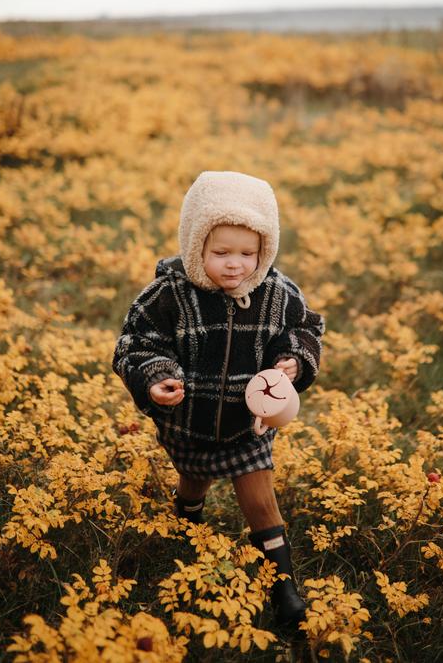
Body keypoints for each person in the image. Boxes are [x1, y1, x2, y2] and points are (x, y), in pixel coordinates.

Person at [112, 170, 324, 627]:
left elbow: (306, 329)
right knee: (193, 477)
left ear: (265, 250)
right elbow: (137, 344)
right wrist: (155, 378)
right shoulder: (167, 294)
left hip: (250, 423)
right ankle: (188, 514)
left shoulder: (277, 292)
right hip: (188, 420)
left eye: (249, 253)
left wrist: (293, 359)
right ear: (195, 246)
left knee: (259, 496)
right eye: (221, 252)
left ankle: (283, 587)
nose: (236, 265)